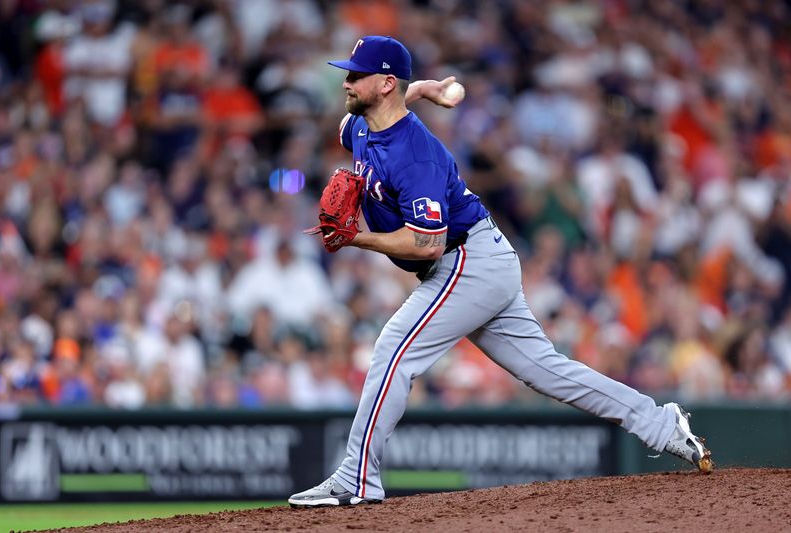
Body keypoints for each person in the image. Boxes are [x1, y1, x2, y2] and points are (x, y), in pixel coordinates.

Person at [289, 36, 712, 508]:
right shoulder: (362, 127)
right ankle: (660, 423)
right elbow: (376, 108)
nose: (345, 81)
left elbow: (426, 244)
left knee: (393, 351)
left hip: (466, 261)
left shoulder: (417, 155)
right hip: (479, 261)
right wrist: (424, 88)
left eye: (355, 74)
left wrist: (354, 238)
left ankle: (356, 478)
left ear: (385, 83)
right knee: (548, 372)